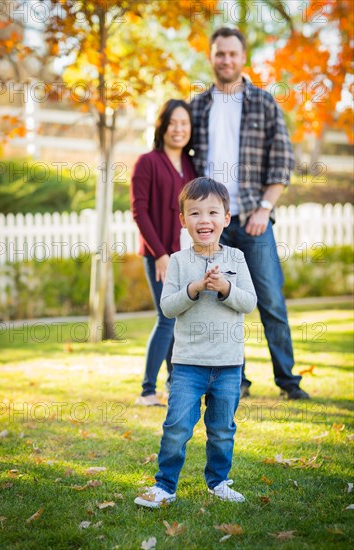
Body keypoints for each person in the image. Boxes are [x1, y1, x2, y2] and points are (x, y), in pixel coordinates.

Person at [190, 27, 310, 400]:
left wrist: (265, 208)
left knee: (270, 299)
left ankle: (288, 381)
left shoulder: (264, 103)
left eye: (232, 54)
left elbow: (283, 160)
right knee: (222, 303)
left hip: (254, 221)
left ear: (243, 58)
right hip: (213, 226)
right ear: (211, 57)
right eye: (219, 54)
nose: (226, 60)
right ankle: (235, 381)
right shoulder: (197, 106)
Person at [134, 177, 257, 508]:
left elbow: (249, 302)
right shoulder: (177, 261)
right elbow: (168, 306)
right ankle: (165, 486)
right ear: (183, 220)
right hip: (188, 364)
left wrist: (224, 289)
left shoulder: (236, 258)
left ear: (226, 218)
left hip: (228, 364)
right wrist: (194, 288)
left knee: (221, 429)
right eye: (196, 213)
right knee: (177, 426)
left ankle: (218, 481)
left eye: (213, 212)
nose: (205, 220)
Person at [131, 99, 196, 406]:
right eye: (173, 123)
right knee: (166, 317)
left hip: (184, 255)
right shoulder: (148, 162)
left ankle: (173, 385)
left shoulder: (192, 165)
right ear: (162, 126)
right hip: (159, 256)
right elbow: (139, 211)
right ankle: (147, 390)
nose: (179, 129)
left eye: (184, 123)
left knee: (180, 319)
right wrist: (159, 254)